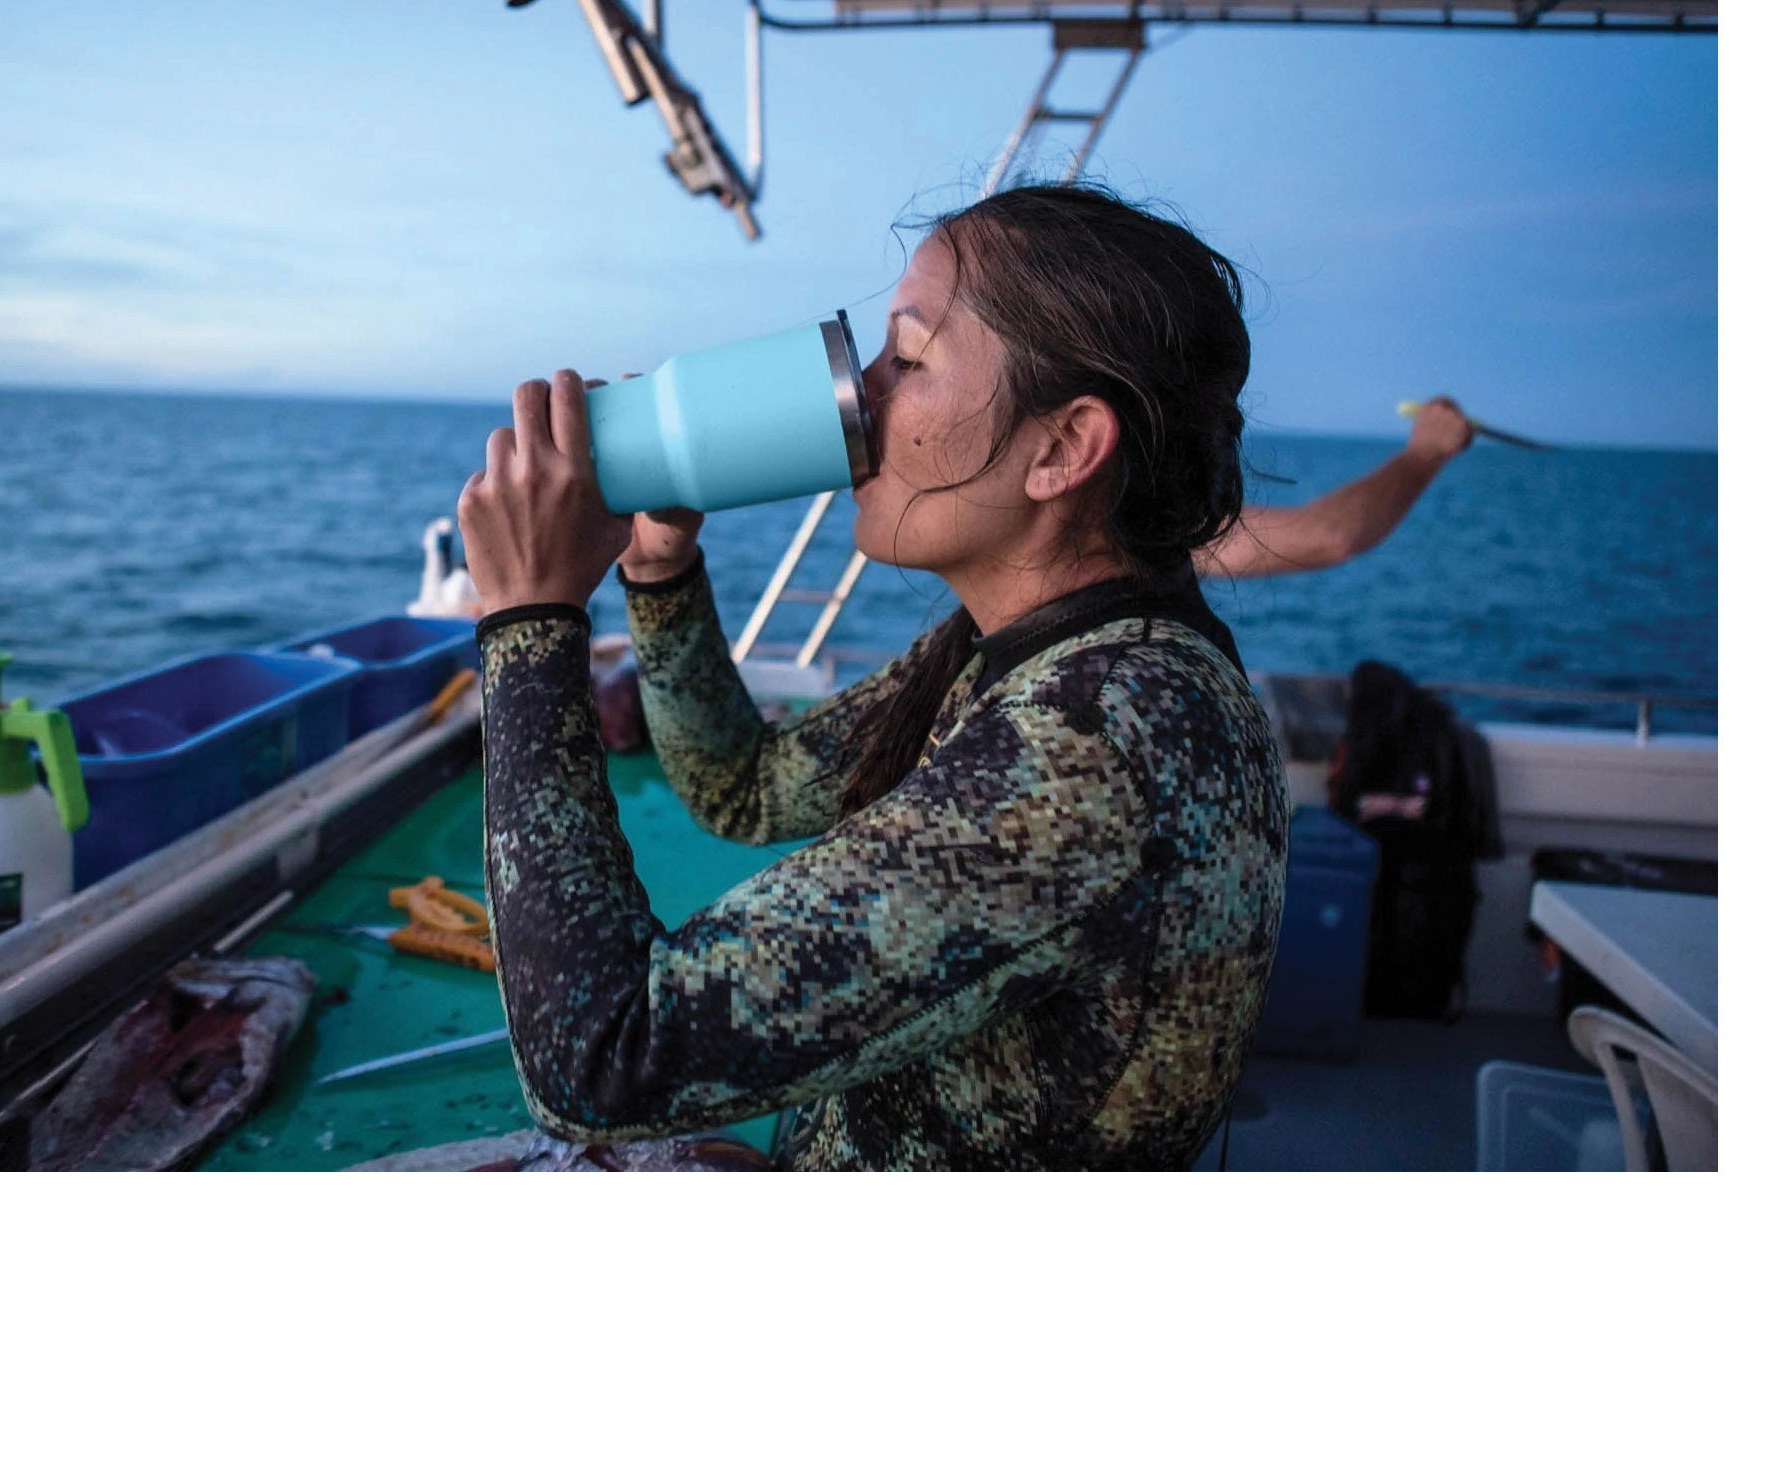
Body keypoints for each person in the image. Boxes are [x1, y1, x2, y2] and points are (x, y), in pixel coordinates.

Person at [456, 184, 1288, 1170]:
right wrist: (659, 571)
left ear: (1063, 449)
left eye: (909, 358)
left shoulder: (1097, 747)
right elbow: (745, 786)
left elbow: (599, 1062)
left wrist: (529, 623)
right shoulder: (1045, 655)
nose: (859, 394)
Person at [1194, 397, 1478, 579]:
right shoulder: (1177, 526)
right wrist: (1425, 453)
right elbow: (1330, 535)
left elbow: (1329, 535)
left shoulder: (1179, 527)